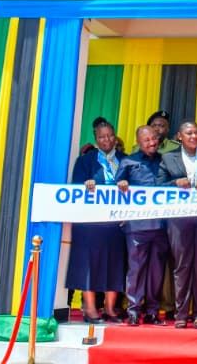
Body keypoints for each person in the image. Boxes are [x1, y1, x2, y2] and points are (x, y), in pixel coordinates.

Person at [158, 121, 197, 328]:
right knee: (182, 266)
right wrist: (175, 183)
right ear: (179, 136)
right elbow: (158, 186)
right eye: (189, 133)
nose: (194, 136)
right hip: (179, 219)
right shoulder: (168, 158)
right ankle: (181, 314)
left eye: (196, 132)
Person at [66, 120, 127, 323]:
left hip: (116, 223)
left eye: (110, 136)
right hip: (89, 224)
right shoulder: (85, 161)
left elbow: (137, 189)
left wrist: (126, 186)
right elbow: (75, 188)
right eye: (102, 137)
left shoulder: (125, 160)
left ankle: (110, 308)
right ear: (96, 139)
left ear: (115, 136)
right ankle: (90, 309)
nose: (106, 140)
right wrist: (86, 184)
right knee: (88, 265)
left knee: (115, 264)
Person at [116, 125, 170, 326]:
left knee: (157, 272)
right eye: (147, 140)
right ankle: (133, 311)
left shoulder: (166, 160)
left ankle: (153, 312)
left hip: (162, 226)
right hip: (136, 227)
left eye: (154, 138)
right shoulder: (128, 162)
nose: (152, 143)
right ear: (138, 143)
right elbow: (113, 191)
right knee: (136, 271)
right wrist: (121, 185)